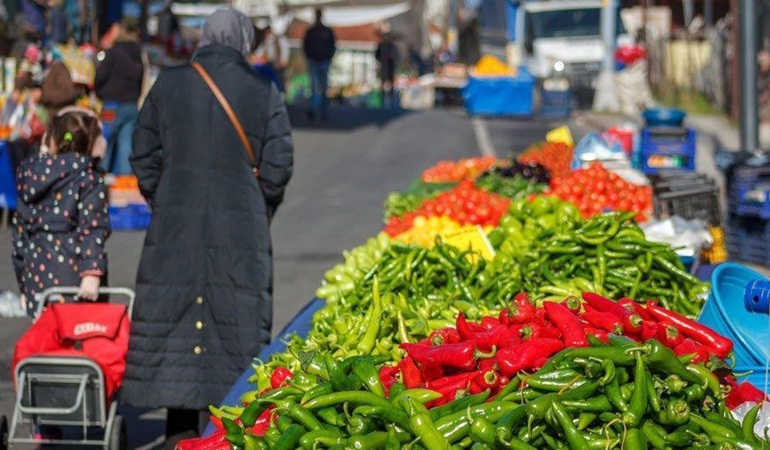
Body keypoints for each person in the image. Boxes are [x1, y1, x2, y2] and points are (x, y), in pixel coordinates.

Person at [124, 8, 293, 447]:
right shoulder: (263, 90)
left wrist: (165, 197)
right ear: (242, 39)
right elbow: (277, 165)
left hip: (174, 227)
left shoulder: (170, 84)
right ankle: (221, 435)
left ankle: (178, 434)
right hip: (242, 232)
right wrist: (259, 206)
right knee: (232, 327)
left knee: (174, 323)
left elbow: (143, 152)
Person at [11, 107, 110, 317]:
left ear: (52, 140)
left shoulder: (32, 177)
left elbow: (20, 233)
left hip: (36, 271)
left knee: (45, 337)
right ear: (90, 144)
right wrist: (91, 272)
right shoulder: (89, 179)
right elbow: (92, 227)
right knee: (78, 336)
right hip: (74, 272)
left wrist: (23, 281)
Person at [95, 20, 144, 175]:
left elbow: (100, 76)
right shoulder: (138, 55)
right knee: (126, 145)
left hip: (112, 104)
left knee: (105, 143)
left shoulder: (114, 52)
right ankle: (124, 185)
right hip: (131, 105)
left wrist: (100, 93)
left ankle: (101, 180)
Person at [303, 9, 335, 120]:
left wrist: (328, 57)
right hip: (314, 61)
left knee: (324, 86)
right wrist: (309, 57)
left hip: (324, 61)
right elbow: (305, 45)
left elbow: (332, 45)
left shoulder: (326, 31)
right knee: (314, 86)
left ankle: (323, 110)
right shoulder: (311, 31)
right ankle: (313, 108)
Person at [375, 31, 399, 108]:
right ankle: (382, 99)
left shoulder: (391, 46)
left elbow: (396, 55)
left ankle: (391, 99)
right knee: (383, 82)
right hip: (383, 67)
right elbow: (376, 55)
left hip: (390, 66)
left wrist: (392, 58)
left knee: (391, 82)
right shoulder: (381, 46)